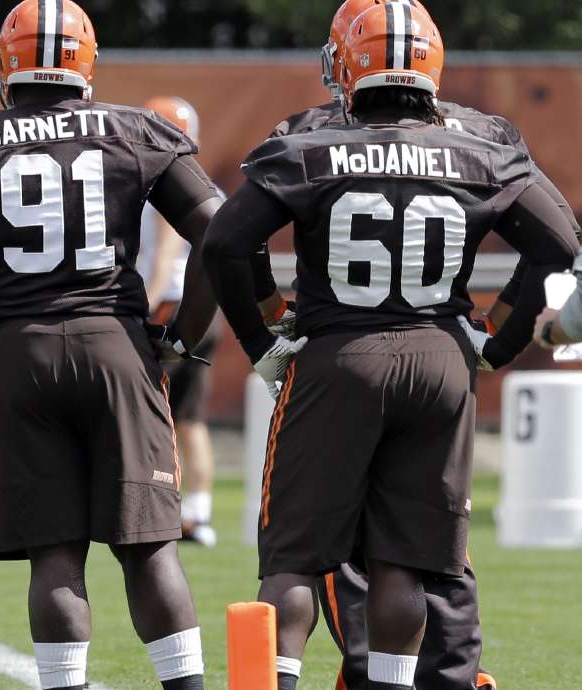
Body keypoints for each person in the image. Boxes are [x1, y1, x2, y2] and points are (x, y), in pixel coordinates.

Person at [203, 5, 578, 690]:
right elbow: (560, 246)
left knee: (291, 557)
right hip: (440, 363)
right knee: (407, 559)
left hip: (338, 357)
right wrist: (497, 334)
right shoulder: (485, 143)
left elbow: (226, 242)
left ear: (348, 64)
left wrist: (262, 336)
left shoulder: (310, 142)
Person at [0, 2, 224, 688]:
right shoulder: (135, 129)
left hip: (18, 352)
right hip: (116, 347)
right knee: (150, 548)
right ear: (85, 63)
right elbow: (218, 225)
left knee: (55, 553)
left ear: (7, 65)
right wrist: (183, 336)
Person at [136, 96, 219, 548]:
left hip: (172, 307)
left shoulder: (168, 182)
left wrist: (145, 306)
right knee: (190, 419)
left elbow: (167, 253)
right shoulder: (204, 182)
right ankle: (199, 512)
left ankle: (165, 508)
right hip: (208, 310)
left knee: (158, 417)